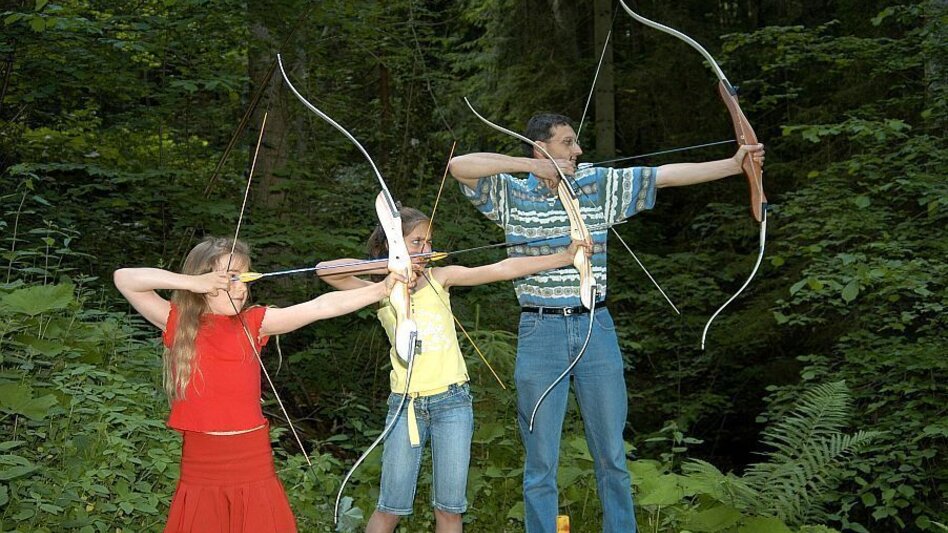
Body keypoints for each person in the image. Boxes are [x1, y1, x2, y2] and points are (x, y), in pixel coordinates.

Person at [448, 113, 765, 533]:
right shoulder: (510, 194)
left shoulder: (594, 184)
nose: (578, 150)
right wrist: (531, 166)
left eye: (575, 142)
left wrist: (734, 164)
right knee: (541, 459)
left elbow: (664, 175)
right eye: (566, 143)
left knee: (612, 456)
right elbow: (458, 166)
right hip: (540, 331)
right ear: (541, 147)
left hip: (596, 327)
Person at [319, 206, 588, 533]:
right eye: (417, 241)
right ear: (394, 243)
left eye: (429, 242)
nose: (426, 249)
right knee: (390, 508)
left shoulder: (440, 278)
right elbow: (326, 271)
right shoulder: (377, 290)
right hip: (406, 406)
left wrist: (564, 256)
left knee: (450, 510)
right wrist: (391, 267)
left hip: (452, 402)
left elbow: (501, 268)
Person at [113, 236, 407, 533]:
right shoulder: (176, 321)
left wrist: (382, 288)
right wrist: (192, 282)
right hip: (202, 464)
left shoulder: (255, 322)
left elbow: (321, 306)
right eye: (230, 279)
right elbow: (124, 278)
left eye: (244, 279)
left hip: (251, 460)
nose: (240, 289)